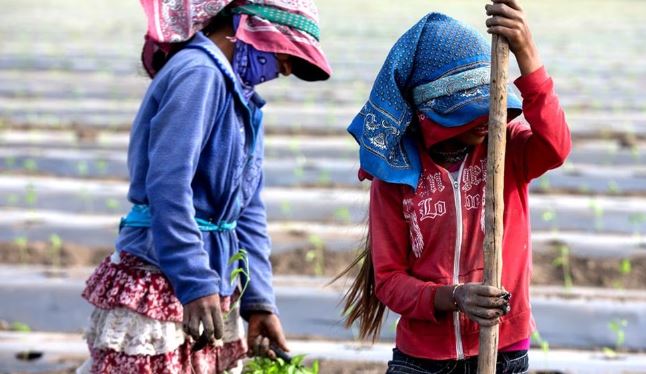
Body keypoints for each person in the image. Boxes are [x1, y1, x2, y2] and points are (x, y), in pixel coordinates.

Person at [76, 1, 332, 373]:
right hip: (164, 270)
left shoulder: (241, 96)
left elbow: (248, 209)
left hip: (209, 274)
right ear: (247, 27)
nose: (287, 68)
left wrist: (259, 301)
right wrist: (194, 281)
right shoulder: (199, 75)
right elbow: (168, 186)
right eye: (286, 53)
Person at [338, 0, 570, 373]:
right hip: (424, 359)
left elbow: (556, 147)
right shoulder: (396, 174)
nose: (485, 119)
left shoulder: (506, 146)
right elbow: (389, 280)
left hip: (502, 350)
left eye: (488, 106)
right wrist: (453, 297)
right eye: (468, 112)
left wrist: (527, 53)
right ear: (427, 115)